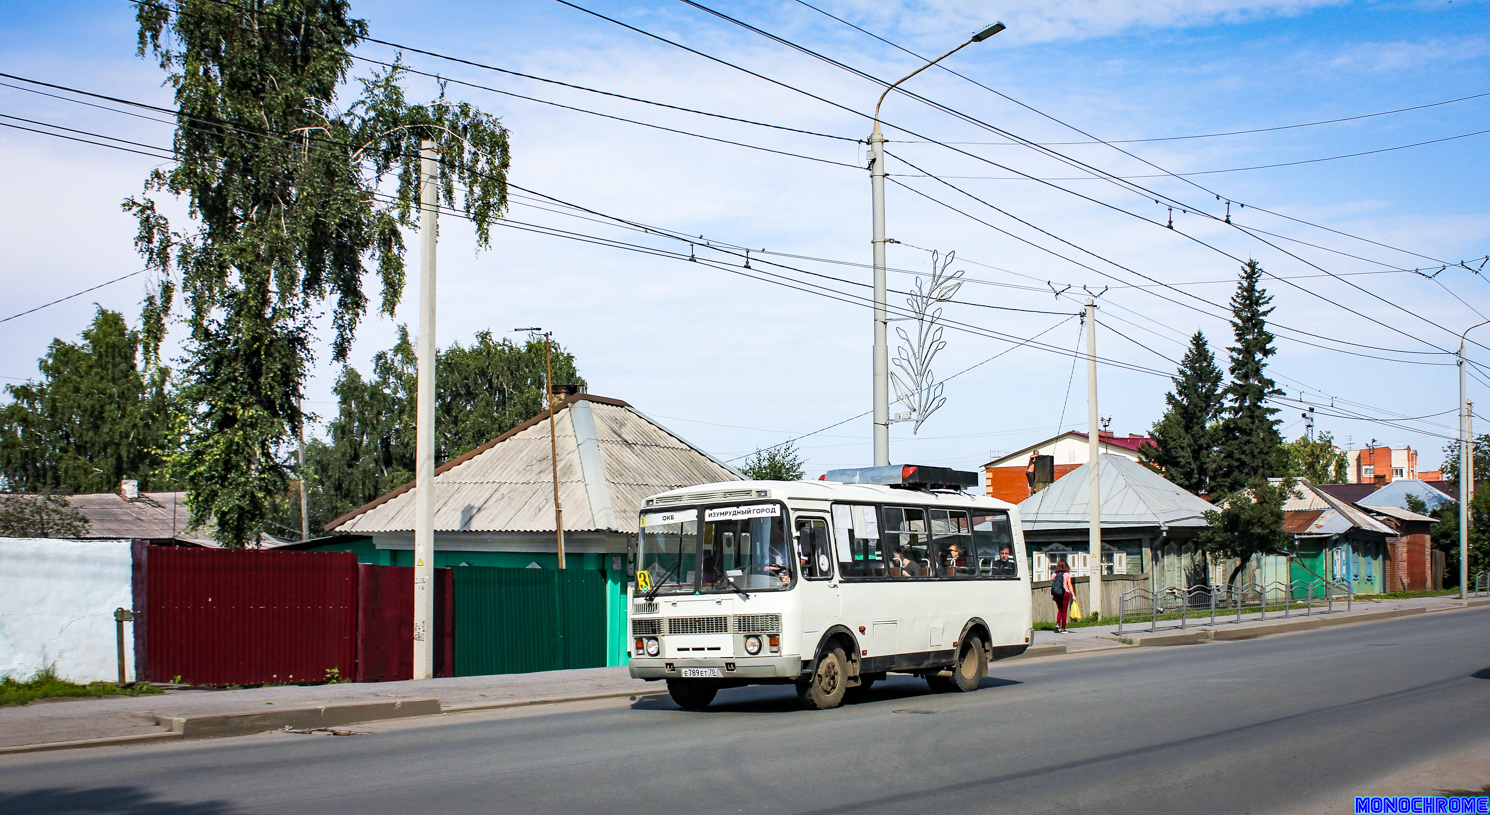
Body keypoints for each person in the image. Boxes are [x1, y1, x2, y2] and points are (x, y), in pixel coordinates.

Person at [1051, 559, 1074, 633]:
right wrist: (1073, 595)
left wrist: (1054, 594)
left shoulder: (1054, 574)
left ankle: (1058, 624)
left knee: (1060, 610)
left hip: (1057, 593)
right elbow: (1069, 585)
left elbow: (1054, 585)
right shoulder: (1067, 574)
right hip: (1065, 593)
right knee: (1064, 611)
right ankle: (1063, 628)